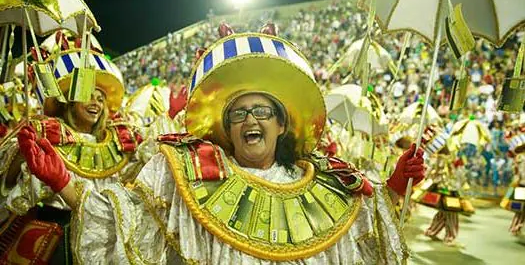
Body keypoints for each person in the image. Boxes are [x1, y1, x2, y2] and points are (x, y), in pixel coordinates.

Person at [17, 25, 425, 264]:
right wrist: (63, 182)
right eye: (238, 113)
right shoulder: (183, 172)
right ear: (225, 128)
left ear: (282, 124)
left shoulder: (329, 182)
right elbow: (124, 220)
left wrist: (392, 187)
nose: (250, 120)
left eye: (262, 112)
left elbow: (366, 234)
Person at [0, 33, 152, 264]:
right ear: (70, 101)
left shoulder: (119, 141)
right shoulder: (47, 133)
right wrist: (23, 153)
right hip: (52, 238)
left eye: (100, 99)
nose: (96, 103)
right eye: (88, 96)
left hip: (101, 239)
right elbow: (9, 184)